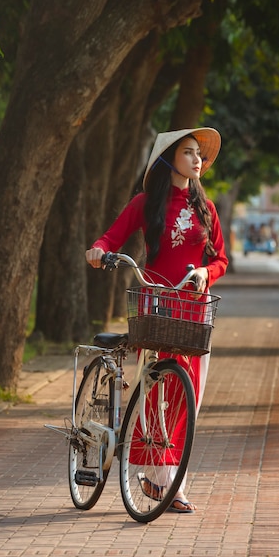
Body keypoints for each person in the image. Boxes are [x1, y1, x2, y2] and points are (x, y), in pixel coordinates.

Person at [85, 127, 228, 513]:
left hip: (193, 310)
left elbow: (220, 259)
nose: (197, 160)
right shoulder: (146, 203)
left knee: (188, 396)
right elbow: (111, 238)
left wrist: (205, 273)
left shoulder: (206, 208)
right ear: (168, 160)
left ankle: (169, 476)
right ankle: (159, 478)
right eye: (188, 152)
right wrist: (98, 251)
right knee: (154, 388)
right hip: (157, 304)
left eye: (199, 153)